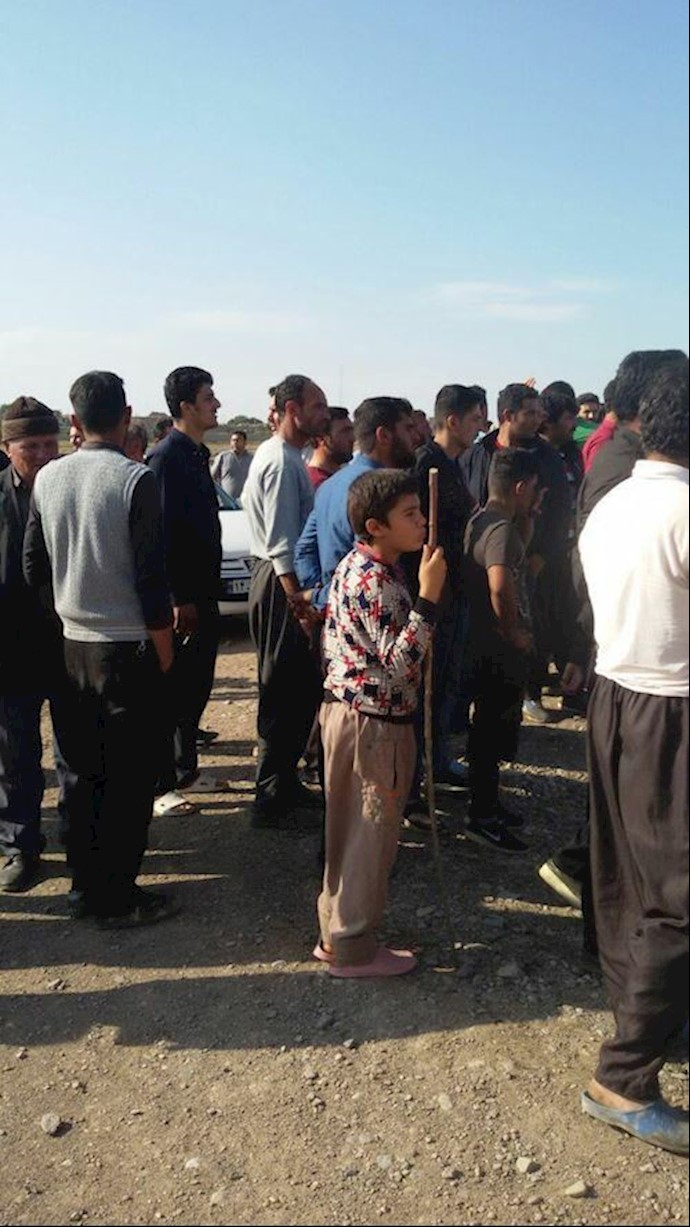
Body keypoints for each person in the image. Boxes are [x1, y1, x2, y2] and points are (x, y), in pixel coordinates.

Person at [578, 363, 689, 1156]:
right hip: (672, 708)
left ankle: (644, 1015)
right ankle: (624, 1073)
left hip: (616, 698)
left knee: (627, 877)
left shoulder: (614, 502)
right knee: (679, 896)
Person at [23, 371, 176, 927]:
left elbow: (33, 567)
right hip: (126, 649)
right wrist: (164, 650)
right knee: (129, 778)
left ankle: (84, 889)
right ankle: (119, 896)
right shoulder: (135, 479)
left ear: (72, 421)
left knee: (80, 773)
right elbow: (151, 581)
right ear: (126, 415)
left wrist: (67, 610)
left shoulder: (47, 479)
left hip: (70, 648)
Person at [316, 468, 447, 977]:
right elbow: (400, 663)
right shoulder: (382, 584)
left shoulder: (356, 566)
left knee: (345, 830)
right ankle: (353, 947)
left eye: (421, 510)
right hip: (375, 726)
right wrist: (429, 599)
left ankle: (335, 931)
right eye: (410, 515)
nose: (422, 522)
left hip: (347, 714)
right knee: (371, 836)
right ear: (376, 525)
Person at [242, 374, 330, 828]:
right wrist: (297, 601)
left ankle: (286, 784)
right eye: (318, 406)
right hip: (280, 581)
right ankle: (270, 797)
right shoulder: (279, 460)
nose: (323, 415)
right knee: (281, 687)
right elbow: (280, 542)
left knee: (297, 688)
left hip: (284, 580)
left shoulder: (289, 456)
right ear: (293, 408)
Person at [460, 383, 574, 725]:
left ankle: (531, 693)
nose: (538, 418)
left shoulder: (546, 457)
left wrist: (537, 558)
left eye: (540, 412)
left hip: (531, 560)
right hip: (486, 553)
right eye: (530, 412)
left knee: (529, 624)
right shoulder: (479, 452)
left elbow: (559, 512)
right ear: (508, 416)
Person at [464, 449, 552, 853]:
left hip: (487, 645)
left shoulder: (489, 520)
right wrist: (512, 631)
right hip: (497, 648)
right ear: (520, 487)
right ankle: (482, 816)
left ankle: (490, 805)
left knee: (493, 728)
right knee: (489, 732)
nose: (536, 497)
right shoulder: (498, 529)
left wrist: (529, 520)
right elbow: (500, 584)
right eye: (533, 491)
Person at [148, 367, 223, 814]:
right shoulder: (165, 458)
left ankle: (185, 767)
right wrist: (177, 598)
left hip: (205, 592)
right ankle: (161, 787)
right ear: (186, 407)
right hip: (183, 601)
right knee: (170, 694)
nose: (216, 404)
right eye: (208, 397)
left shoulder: (197, 454)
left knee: (196, 688)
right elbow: (158, 537)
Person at [0, 398, 65, 892]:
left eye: (49, 444)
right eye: (31, 447)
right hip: (10, 648)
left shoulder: (69, 489)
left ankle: (80, 833)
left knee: (76, 750)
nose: (43, 455)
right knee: (16, 753)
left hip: (67, 643)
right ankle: (21, 844)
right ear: (7, 448)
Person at [407, 385, 483, 791]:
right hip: (436, 594)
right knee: (430, 686)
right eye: (474, 419)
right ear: (452, 421)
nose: (478, 427)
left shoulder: (454, 464)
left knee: (448, 685)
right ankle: (422, 768)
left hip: (456, 590)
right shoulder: (426, 465)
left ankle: (440, 760)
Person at [294, 397, 417, 611]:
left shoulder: (330, 485)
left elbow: (304, 551)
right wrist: (324, 596)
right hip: (374, 617)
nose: (414, 437)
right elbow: (372, 566)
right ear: (384, 436)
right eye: (407, 429)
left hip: (339, 619)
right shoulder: (381, 492)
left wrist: (320, 597)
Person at [306, 408, 354, 490]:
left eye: (351, 431)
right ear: (321, 439)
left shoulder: (342, 479)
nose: (352, 438)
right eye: (344, 432)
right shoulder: (318, 485)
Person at [210, 428, 253, 501]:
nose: (235, 442)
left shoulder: (252, 459)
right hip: (227, 504)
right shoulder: (223, 457)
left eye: (238, 440)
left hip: (246, 502)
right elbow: (212, 478)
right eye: (233, 440)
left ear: (245, 442)